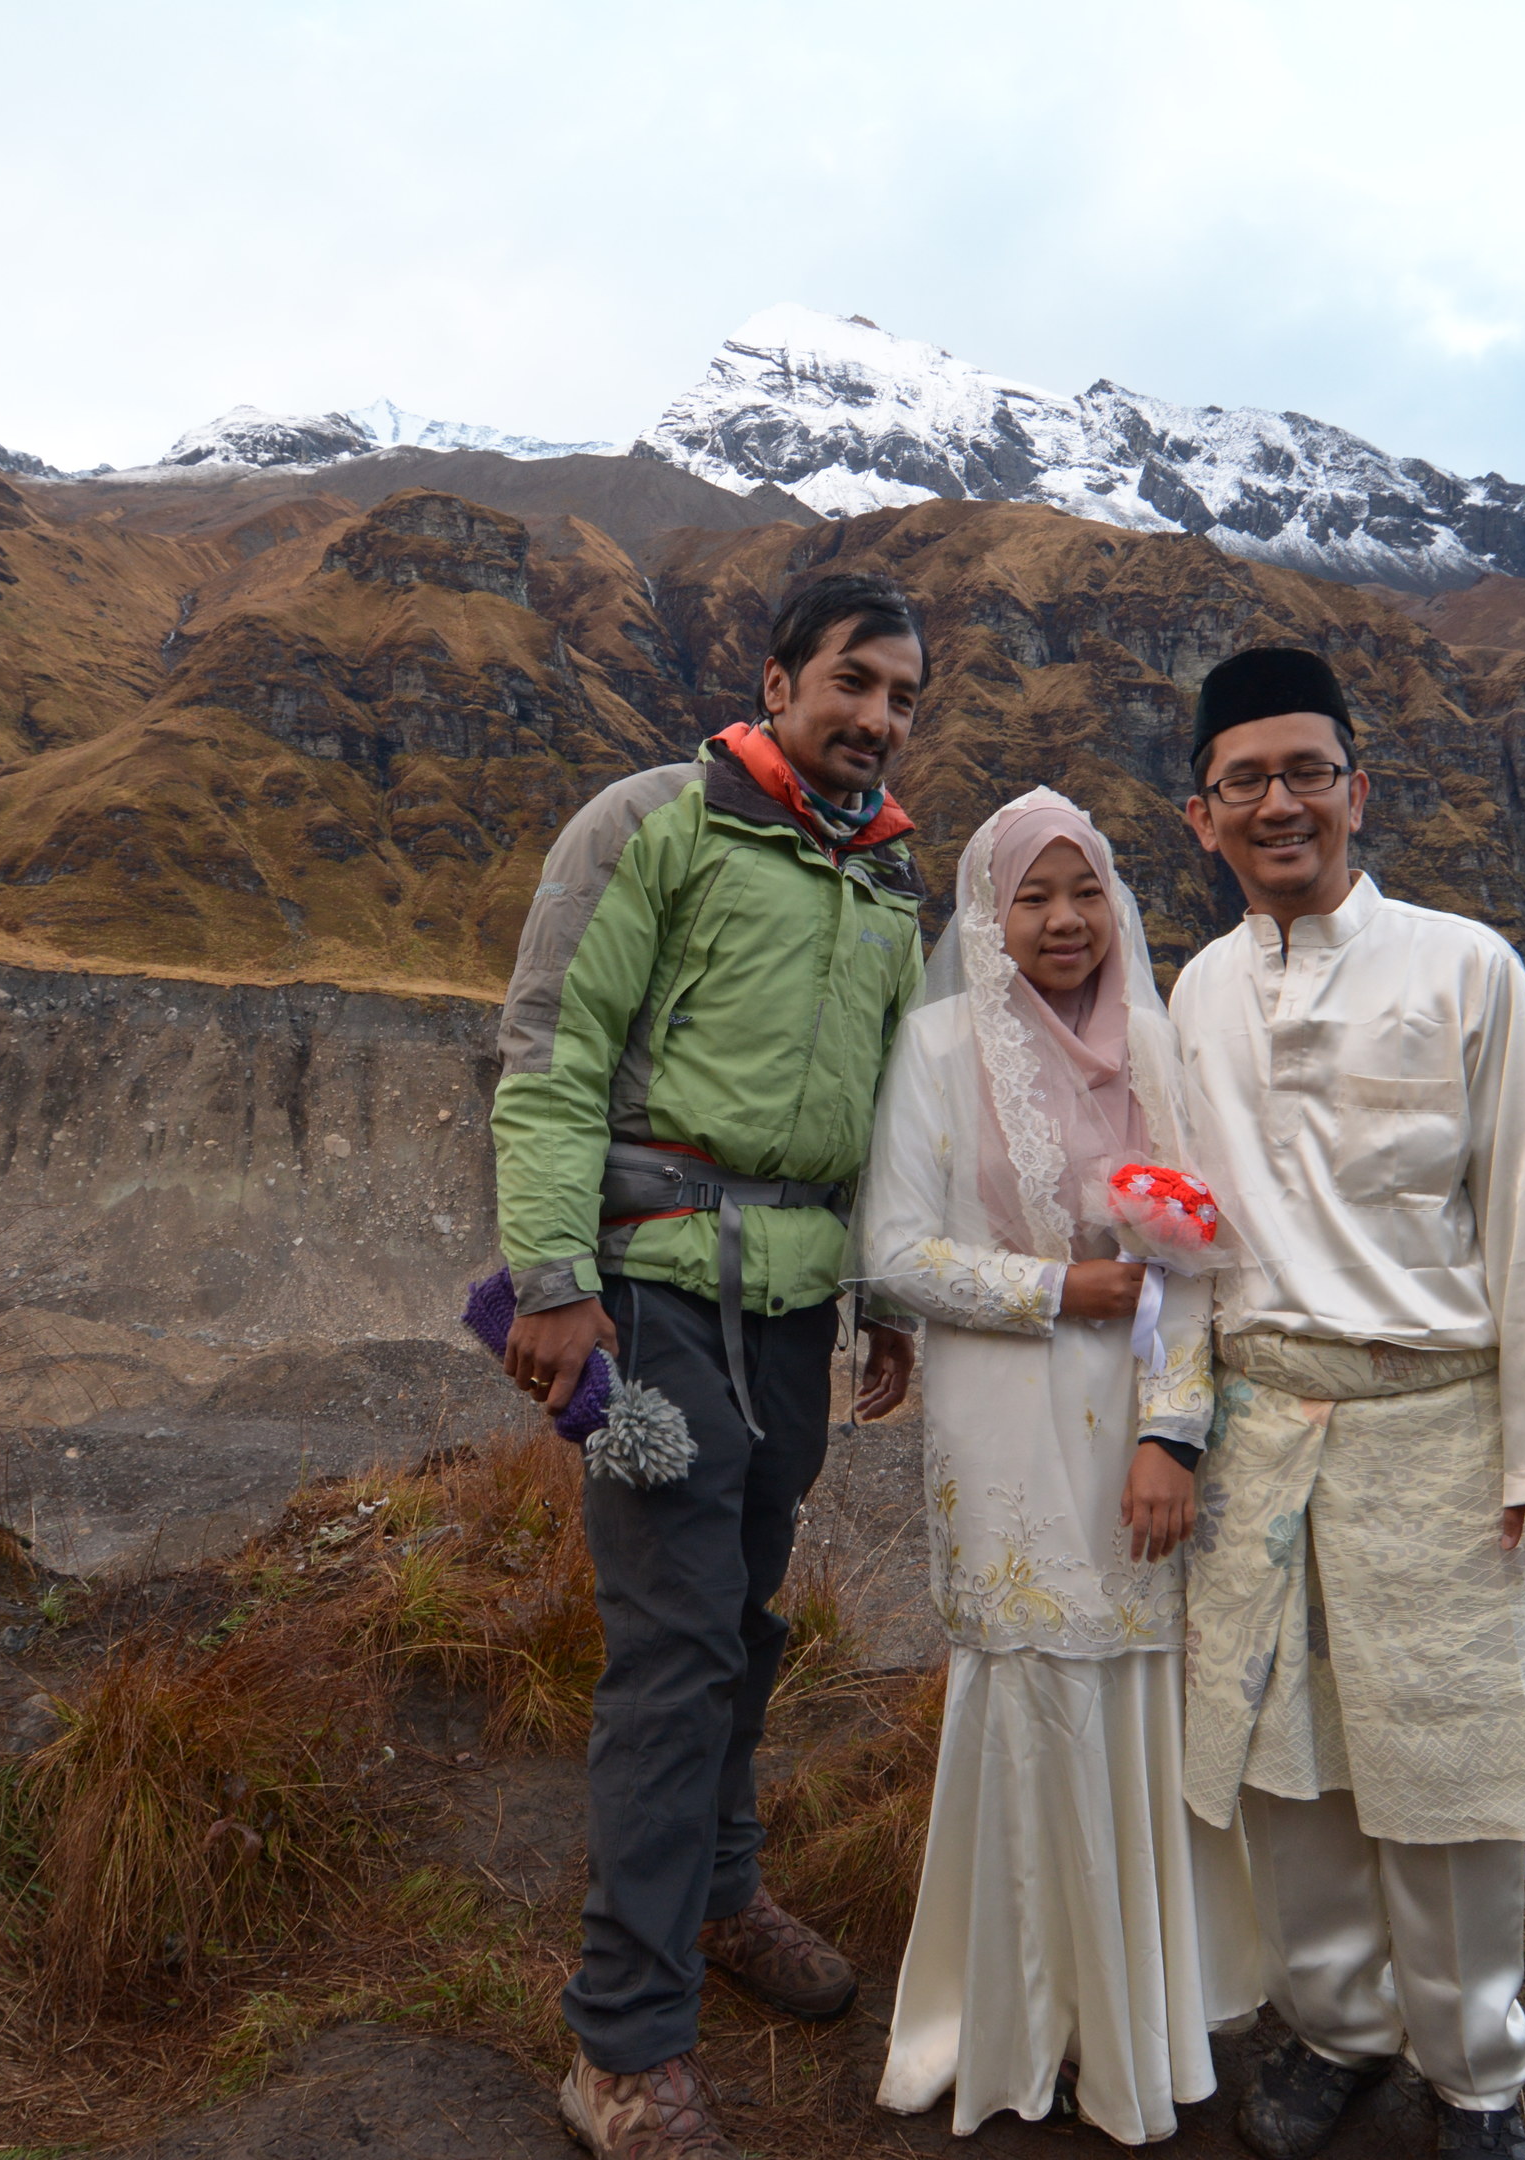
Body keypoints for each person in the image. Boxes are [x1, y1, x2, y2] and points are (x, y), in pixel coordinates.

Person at [489, 570, 932, 2160]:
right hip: (650, 1300)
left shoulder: (886, 884)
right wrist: (554, 1285)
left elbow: (891, 1112)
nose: (877, 718)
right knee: (675, 1644)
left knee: (742, 1619)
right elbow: (551, 1051)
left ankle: (724, 1894)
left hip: (794, 1314)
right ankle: (621, 2045)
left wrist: (885, 1291)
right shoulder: (652, 824)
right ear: (777, 681)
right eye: (854, 682)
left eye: (902, 698)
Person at [1166, 647, 1525, 2160]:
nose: (1278, 804)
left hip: (1438, 1430)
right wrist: (1174, 1422)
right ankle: (1336, 2027)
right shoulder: (1197, 991)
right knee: (1288, 1763)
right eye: (1244, 781)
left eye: (1306, 772)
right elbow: (1186, 1239)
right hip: (1264, 1432)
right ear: (1202, 816)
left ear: (1359, 789)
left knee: (1450, 1772)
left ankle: (1475, 2071)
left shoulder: (1467, 969)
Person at [855, 789, 1264, 2147]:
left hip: (1128, 1435)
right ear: (987, 915)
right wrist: (1055, 1290)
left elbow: (1196, 1264)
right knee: (1029, 1687)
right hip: (1000, 1428)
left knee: (1133, 1692)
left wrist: (1170, 1435)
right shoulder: (938, 1046)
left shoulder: (1153, 1043)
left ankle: (1132, 2029)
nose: (1064, 921)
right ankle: (1020, 2021)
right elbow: (893, 1253)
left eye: (1084, 890)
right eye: (1031, 896)